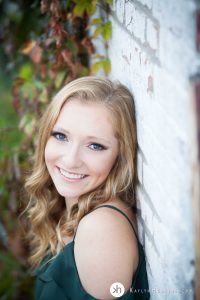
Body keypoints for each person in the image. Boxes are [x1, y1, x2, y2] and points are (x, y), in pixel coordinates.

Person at [24, 76, 150, 299]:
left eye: (95, 145)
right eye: (61, 136)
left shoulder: (101, 229)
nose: (71, 160)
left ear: (120, 157)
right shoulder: (73, 210)